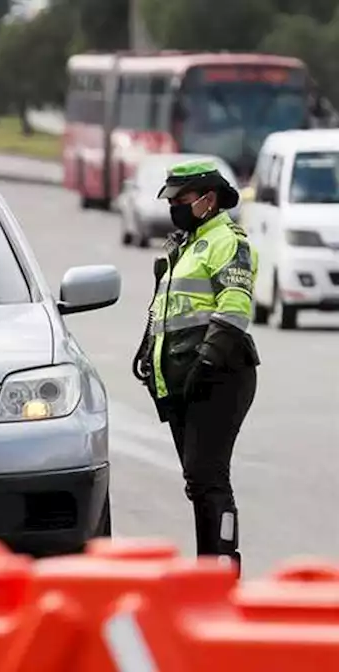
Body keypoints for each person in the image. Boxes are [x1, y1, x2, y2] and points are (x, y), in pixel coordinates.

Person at [132, 158, 259, 574]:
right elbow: (168, 313)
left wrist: (206, 362)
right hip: (186, 381)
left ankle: (221, 568)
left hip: (219, 376)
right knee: (198, 482)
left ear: (209, 199)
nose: (174, 207)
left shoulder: (228, 240)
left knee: (208, 478)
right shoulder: (183, 245)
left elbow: (235, 308)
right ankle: (210, 568)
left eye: (181, 199)